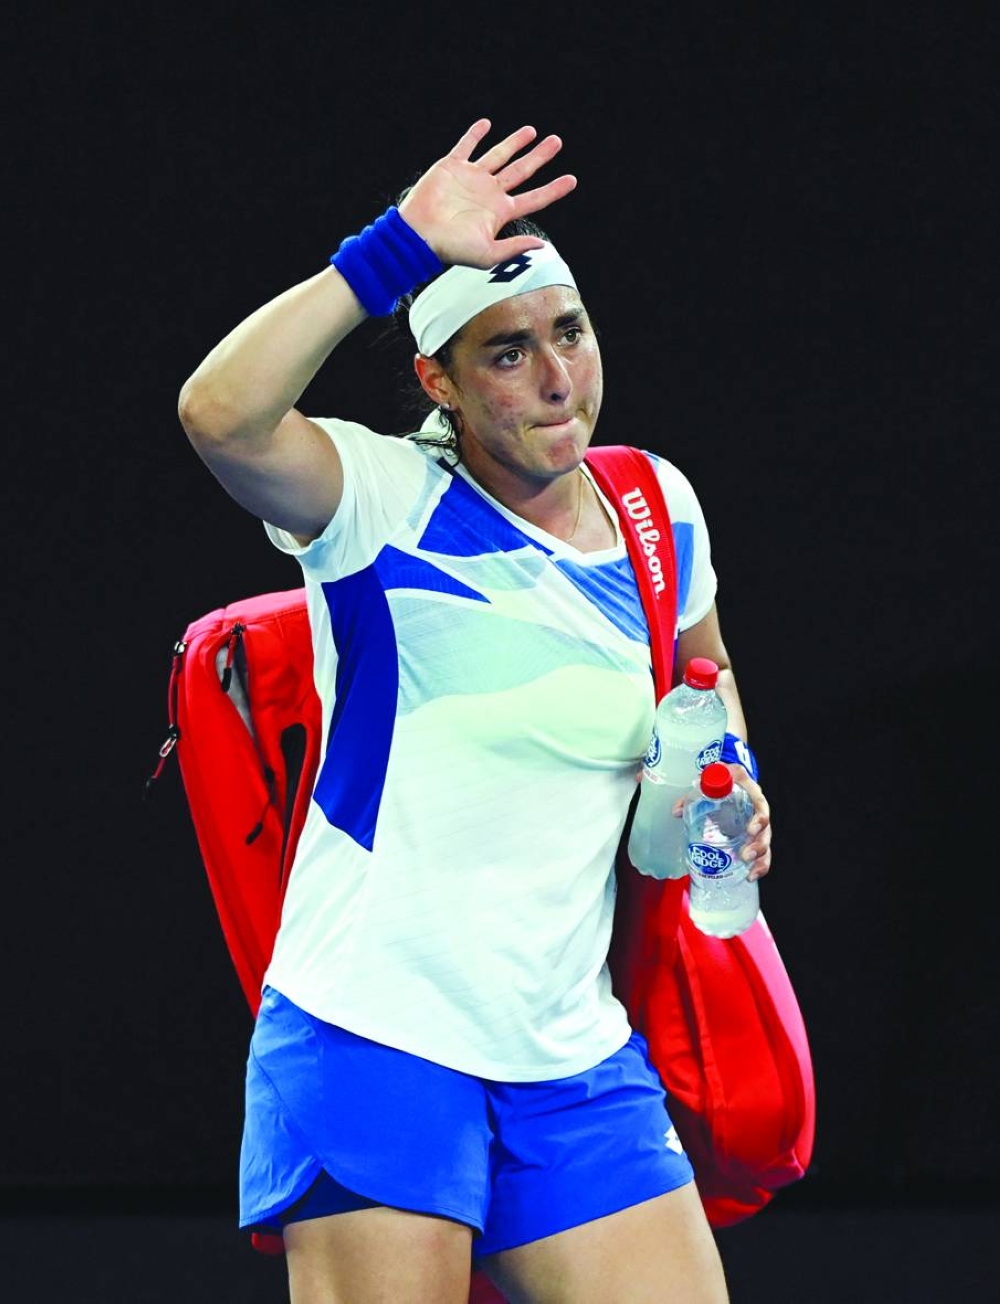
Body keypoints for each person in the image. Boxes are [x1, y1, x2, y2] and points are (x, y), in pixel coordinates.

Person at [178, 118, 772, 1304]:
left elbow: (700, 686)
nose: (558, 377)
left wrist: (735, 787)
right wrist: (390, 251)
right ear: (436, 381)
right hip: (373, 1034)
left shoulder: (657, 504)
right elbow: (220, 413)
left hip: (571, 1051)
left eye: (569, 332)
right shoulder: (380, 502)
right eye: (506, 352)